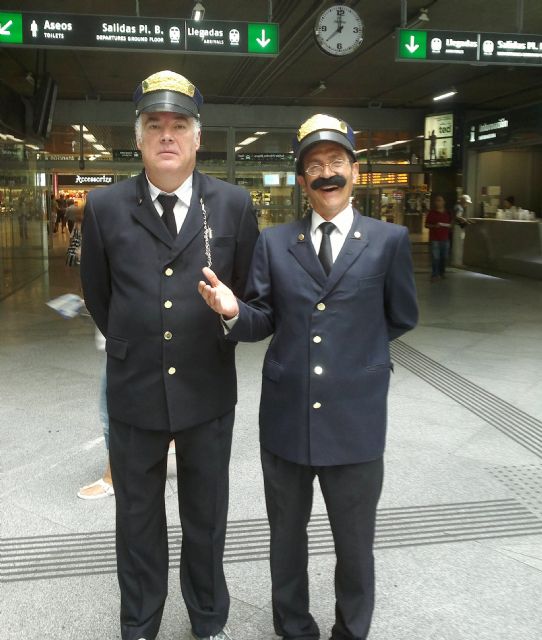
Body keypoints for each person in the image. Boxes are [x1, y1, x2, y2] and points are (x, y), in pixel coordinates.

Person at [199, 114, 418, 640]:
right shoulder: (275, 243)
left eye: (336, 163)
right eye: (314, 166)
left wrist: (356, 355)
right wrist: (231, 310)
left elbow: (402, 315)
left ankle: (351, 630)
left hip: (357, 420)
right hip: (286, 416)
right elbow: (263, 318)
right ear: (301, 181)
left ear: (355, 171)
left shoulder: (389, 240)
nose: (326, 174)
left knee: (354, 540)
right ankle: (293, 627)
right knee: (286, 540)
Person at [80, 70, 259, 640]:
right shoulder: (105, 207)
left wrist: (229, 313)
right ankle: (140, 622)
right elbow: (98, 294)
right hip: (133, 388)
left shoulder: (232, 204)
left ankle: (208, 621)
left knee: (205, 518)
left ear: (197, 138)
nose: (166, 135)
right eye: (154, 124)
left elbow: (252, 299)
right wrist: (133, 345)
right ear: (138, 137)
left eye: (178, 125)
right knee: (136, 520)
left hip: (207, 386)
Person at [425, 194, 452, 281]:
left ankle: (442, 273)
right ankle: (435, 274)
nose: (438, 202)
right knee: (435, 257)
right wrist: (434, 226)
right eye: (436, 200)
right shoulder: (431, 213)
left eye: (440, 200)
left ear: (444, 202)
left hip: (445, 238)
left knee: (444, 257)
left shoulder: (448, 213)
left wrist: (449, 226)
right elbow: (426, 224)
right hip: (435, 238)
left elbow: (452, 224)